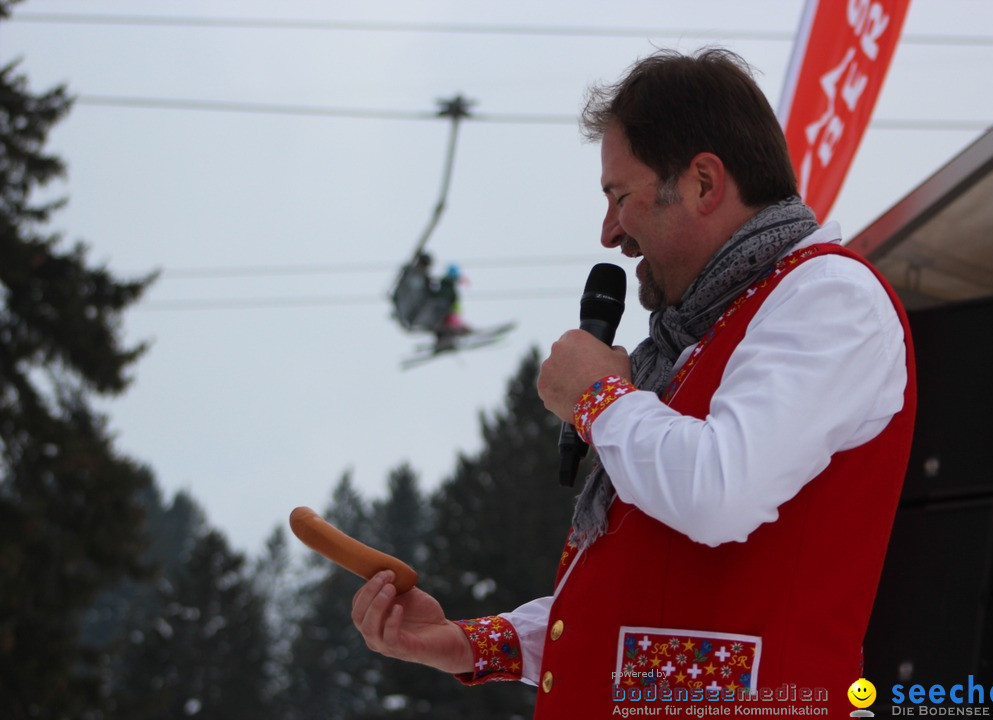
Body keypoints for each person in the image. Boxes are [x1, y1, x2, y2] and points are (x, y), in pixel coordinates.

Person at [352, 47, 915, 717]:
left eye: (621, 196)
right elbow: (644, 623)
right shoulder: (696, 338)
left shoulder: (827, 296)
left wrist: (598, 397)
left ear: (704, 183)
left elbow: (717, 492)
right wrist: (472, 644)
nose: (609, 230)